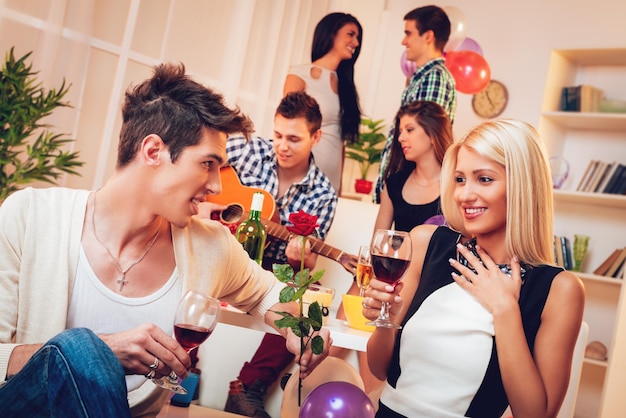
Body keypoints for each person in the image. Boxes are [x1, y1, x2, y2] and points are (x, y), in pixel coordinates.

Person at [0, 63, 331, 417]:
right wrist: (103, 354)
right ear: (154, 151)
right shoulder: (29, 216)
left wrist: (302, 328)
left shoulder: (210, 246)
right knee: (80, 348)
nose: (217, 186)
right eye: (207, 164)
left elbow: (268, 293)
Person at [363, 119, 585, 417]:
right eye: (459, 179)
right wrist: (385, 316)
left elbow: (535, 415)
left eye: (484, 179)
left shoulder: (559, 289)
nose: (464, 195)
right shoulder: (426, 243)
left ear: (523, 186)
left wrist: (505, 309)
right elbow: (379, 369)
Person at [222, 91, 338, 418]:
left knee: (306, 299)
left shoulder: (323, 194)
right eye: (277, 135)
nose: (282, 145)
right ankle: (186, 368)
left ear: (316, 137)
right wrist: (212, 204)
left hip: (274, 267)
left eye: (293, 138)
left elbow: (308, 257)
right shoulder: (248, 149)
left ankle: (248, 386)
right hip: (228, 248)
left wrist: (302, 257)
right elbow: (204, 156)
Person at [373, 5, 457, 203]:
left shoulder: (434, 77)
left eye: (408, 33)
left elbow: (423, 143)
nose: (404, 41)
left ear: (428, 36)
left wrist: (399, 188)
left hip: (408, 194)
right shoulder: (421, 77)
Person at [283, 12, 362, 194]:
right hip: (304, 176)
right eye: (351, 34)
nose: (356, 43)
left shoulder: (346, 86)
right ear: (331, 33)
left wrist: (339, 186)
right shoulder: (299, 75)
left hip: (331, 180)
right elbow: (289, 127)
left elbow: (341, 140)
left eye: (357, 38)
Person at [373, 100, 453, 232]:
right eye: (400, 131)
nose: (401, 138)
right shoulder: (394, 184)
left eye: (410, 130)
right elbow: (378, 246)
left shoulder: (456, 185)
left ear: (433, 134)